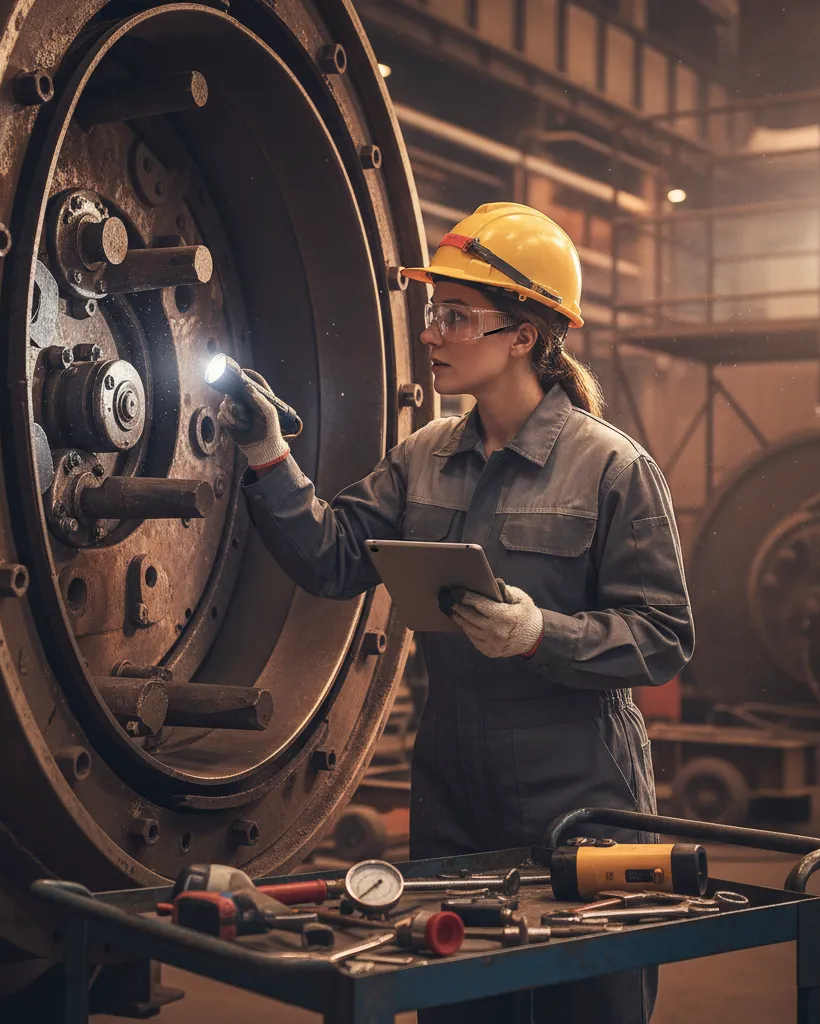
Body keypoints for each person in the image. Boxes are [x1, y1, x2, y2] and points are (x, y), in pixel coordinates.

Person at [217, 202, 694, 1023]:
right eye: (433, 312)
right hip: (453, 789)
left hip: (583, 793)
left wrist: (543, 632)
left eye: (456, 316)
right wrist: (269, 456)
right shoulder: (422, 458)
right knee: (460, 997)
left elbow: (663, 636)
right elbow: (334, 557)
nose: (432, 334)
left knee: (588, 1000)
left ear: (525, 334)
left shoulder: (612, 468)